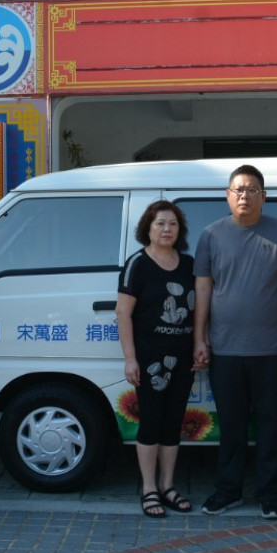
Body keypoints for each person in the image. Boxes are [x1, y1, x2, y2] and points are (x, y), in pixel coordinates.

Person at [193, 164, 277, 518]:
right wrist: (200, 338)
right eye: (238, 189)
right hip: (225, 350)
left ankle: (270, 492)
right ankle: (228, 491)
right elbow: (203, 290)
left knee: (271, 426)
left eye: (252, 189)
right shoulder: (211, 235)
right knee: (232, 426)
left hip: (273, 350)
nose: (244, 195)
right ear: (228, 195)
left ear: (263, 196)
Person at [116, 200, 197, 519]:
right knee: (151, 420)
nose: (167, 229)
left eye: (173, 224)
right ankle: (148, 488)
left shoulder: (189, 264)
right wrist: (130, 359)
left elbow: (200, 308)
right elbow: (123, 313)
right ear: (147, 228)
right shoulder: (137, 264)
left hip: (183, 358)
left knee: (173, 421)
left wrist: (200, 344)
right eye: (160, 223)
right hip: (150, 359)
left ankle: (167, 485)